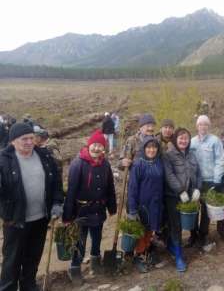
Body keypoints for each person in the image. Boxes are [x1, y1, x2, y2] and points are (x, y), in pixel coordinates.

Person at [0, 123, 64, 291]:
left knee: (33, 258)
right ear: (13, 141)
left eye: (31, 138)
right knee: (12, 262)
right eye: (24, 139)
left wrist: (57, 202)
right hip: (15, 221)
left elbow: (56, 182)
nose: (29, 142)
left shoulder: (44, 155)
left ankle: (29, 286)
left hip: (40, 219)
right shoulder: (4, 160)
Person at [63, 130, 117, 284]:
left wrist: (112, 208)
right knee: (80, 241)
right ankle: (75, 268)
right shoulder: (78, 164)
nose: (96, 148)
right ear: (89, 145)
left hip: (98, 210)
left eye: (100, 145)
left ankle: (95, 261)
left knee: (97, 237)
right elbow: (71, 191)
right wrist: (67, 216)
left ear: (103, 148)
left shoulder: (105, 164)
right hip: (81, 211)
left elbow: (110, 188)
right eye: (94, 145)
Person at [163, 128, 202, 271]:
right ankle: (179, 256)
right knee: (176, 225)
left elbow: (198, 172)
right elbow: (169, 175)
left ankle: (173, 246)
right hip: (173, 196)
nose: (183, 141)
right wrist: (180, 190)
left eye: (186, 138)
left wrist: (198, 187)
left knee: (188, 222)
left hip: (190, 195)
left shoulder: (191, 155)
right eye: (181, 138)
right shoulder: (168, 155)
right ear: (175, 140)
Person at [127, 136, 164, 273]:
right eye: (148, 147)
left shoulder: (159, 162)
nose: (151, 150)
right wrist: (132, 209)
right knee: (141, 232)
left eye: (154, 147)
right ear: (144, 149)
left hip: (155, 204)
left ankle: (146, 254)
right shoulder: (138, 164)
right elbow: (132, 188)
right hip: (142, 205)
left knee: (150, 230)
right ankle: (138, 257)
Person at [189, 115, 224, 247]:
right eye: (200, 124)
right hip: (194, 182)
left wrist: (217, 180)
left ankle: (203, 235)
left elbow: (220, 160)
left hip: (210, 181)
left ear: (208, 126)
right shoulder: (192, 142)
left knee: (206, 210)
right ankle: (193, 234)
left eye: (205, 124)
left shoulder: (215, 141)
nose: (202, 127)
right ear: (197, 126)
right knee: (193, 207)